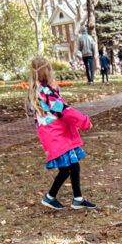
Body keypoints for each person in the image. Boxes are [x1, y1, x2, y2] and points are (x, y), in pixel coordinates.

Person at [26, 57, 95, 210]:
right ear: (47, 71)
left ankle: (77, 198)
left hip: (52, 133)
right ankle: (50, 197)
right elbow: (64, 111)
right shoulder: (46, 92)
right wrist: (84, 121)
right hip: (56, 134)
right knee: (66, 168)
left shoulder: (37, 91)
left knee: (73, 165)